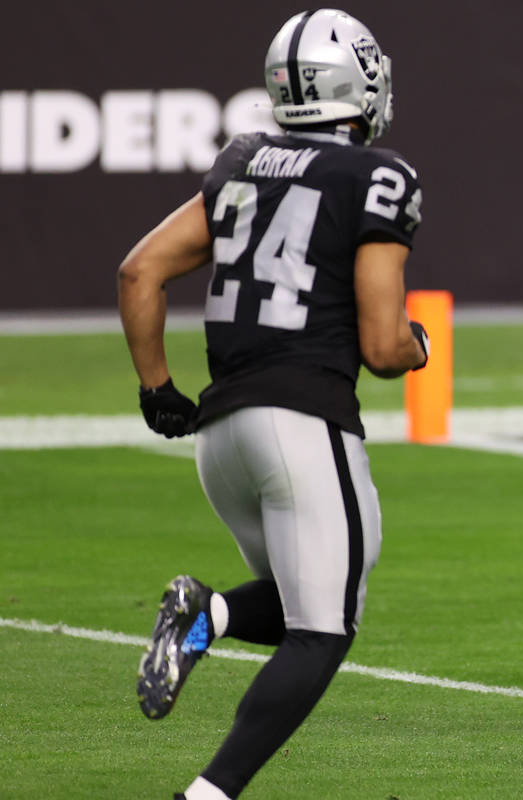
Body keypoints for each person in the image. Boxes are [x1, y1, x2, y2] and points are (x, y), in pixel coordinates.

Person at [117, 10, 428, 797]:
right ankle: (209, 792)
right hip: (303, 423)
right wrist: (420, 343)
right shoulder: (377, 176)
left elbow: (138, 272)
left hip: (220, 438)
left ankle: (208, 616)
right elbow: (386, 348)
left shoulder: (241, 161)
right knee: (323, 633)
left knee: (302, 606)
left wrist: (157, 390)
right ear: (355, 82)